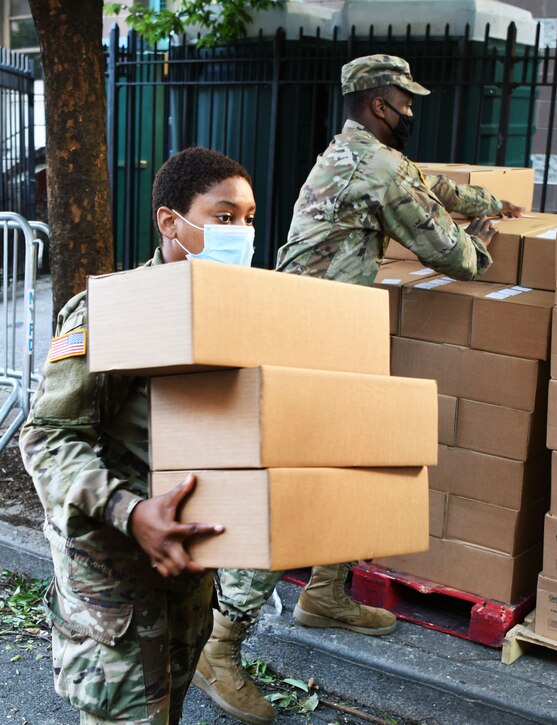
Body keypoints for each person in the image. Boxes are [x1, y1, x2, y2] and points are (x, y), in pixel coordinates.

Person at [201, 54, 525, 724]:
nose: (411, 111)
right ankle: (220, 646)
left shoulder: (349, 154)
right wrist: (488, 238)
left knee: (347, 469)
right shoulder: (377, 165)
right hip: (310, 346)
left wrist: (491, 201)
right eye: (405, 102)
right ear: (381, 104)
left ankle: (325, 592)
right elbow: (454, 254)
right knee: (291, 494)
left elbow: (429, 184)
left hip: (325, 334)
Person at [19, 146, 256, 725]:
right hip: (115, 570)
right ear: (171, 222)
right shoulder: (111, 313)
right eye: (224, 217)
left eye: (249, 219)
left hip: (188, 558)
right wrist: (130, 511)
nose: (241, 233)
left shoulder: (242, 313)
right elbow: (45, 438)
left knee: (167, 708)